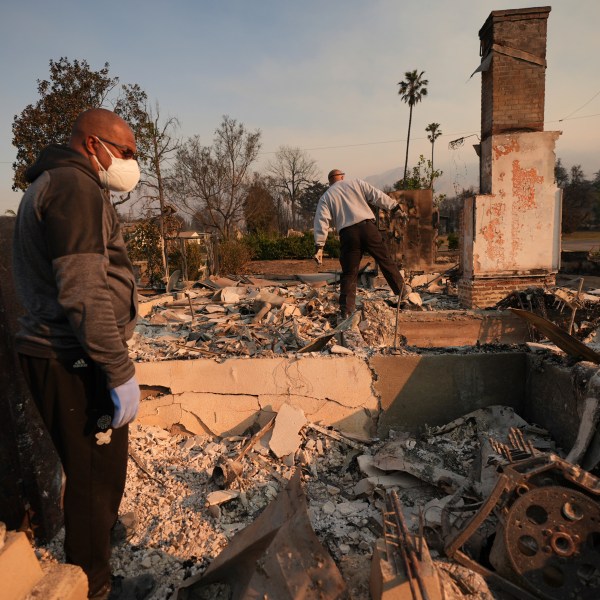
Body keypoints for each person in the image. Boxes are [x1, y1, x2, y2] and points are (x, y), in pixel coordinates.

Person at [12, 108, 154, 600]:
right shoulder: (74, 189)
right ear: (94, 144)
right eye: (128, 152)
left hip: (65, 351)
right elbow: (83, 289)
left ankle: (96, 551)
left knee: (97, 469)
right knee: (96, 475)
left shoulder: (60, 182)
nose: (132, 163)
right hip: (70, 355)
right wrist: (117, 369)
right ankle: (95, 588)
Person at [313, 169, 407, 318]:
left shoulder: (327, 196)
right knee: (385, 260)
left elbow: (321, 220)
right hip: (368, 228)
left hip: (348, 234)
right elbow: (376, 195)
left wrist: (319, 246)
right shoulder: (356, 183)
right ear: (342, 177)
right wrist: (394, 206)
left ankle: (346, 310)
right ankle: (403, 292)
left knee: (350, 273)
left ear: (330, 182)